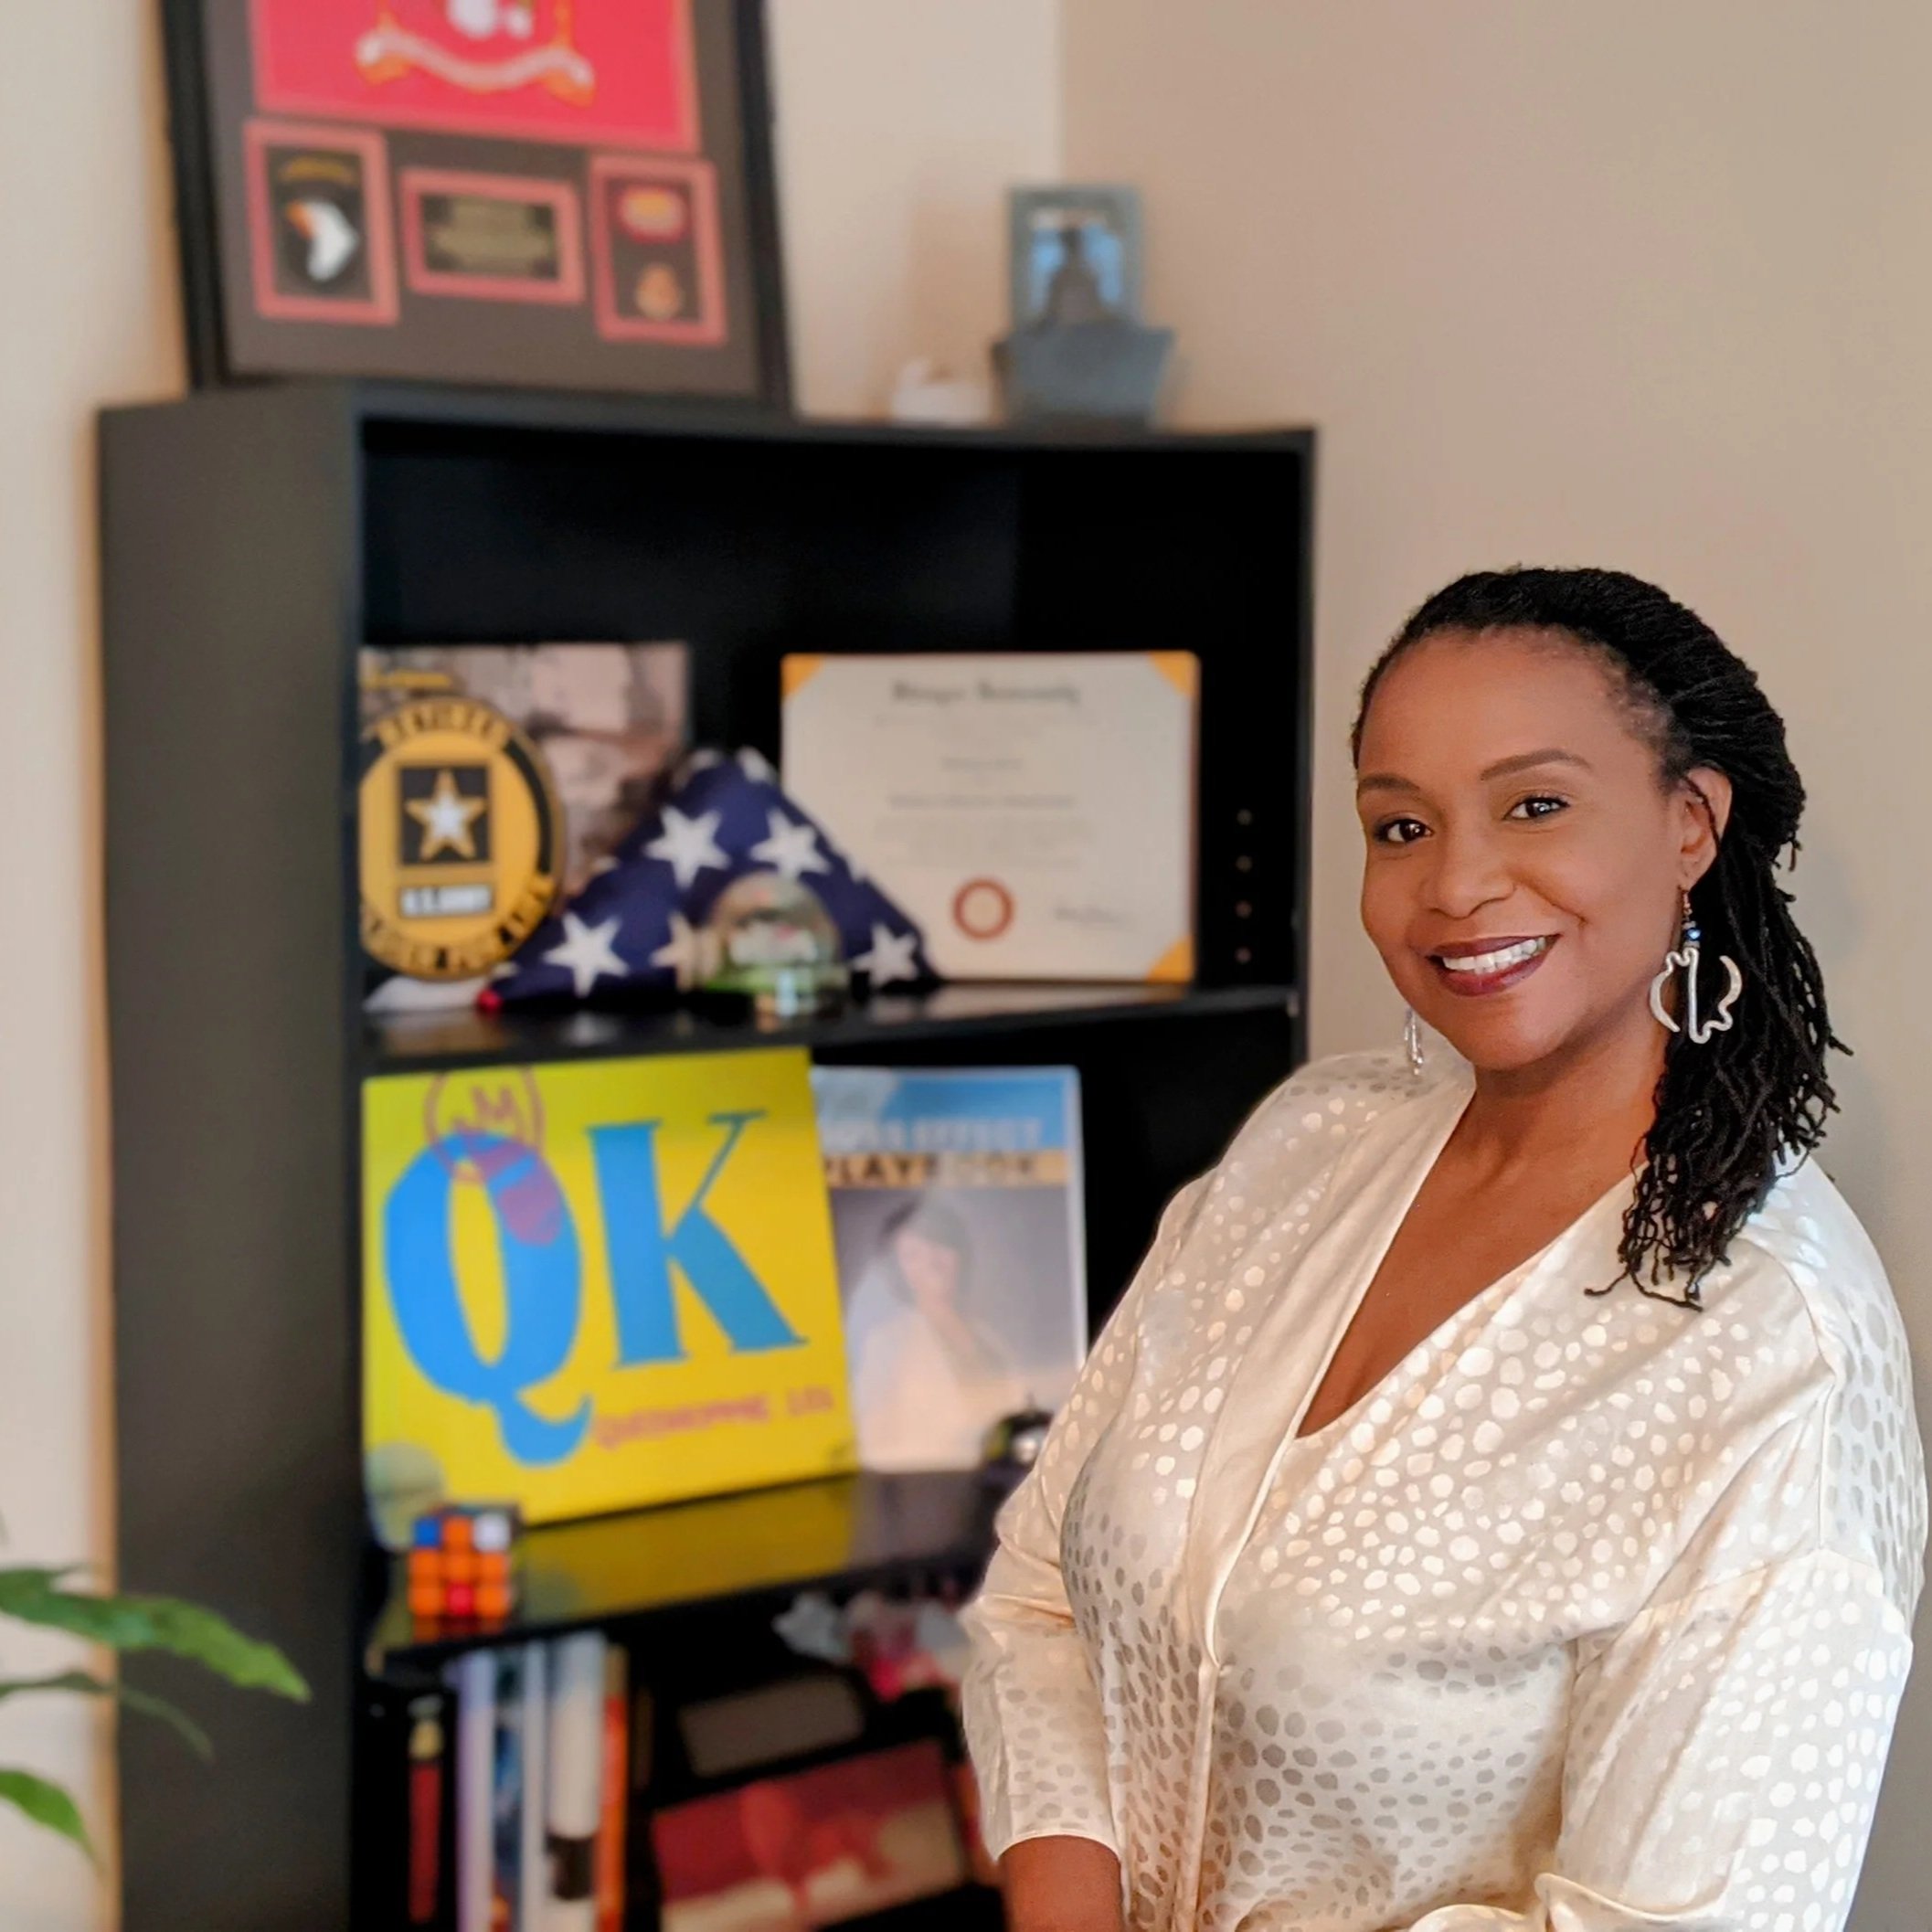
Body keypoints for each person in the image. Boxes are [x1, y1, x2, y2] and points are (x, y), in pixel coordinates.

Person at [961, 568, 1927, 1932]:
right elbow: (1047, 1598)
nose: (1456, 882)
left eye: (1534, 804)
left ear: (1689, 824)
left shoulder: (1773, 1348)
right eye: (1399, 824)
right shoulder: (1307, 1146)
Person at [844, 1196, 1029, 1470]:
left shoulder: (990, 1338)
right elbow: (875, 1446)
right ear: (899, 1271)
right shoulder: (885, 1343)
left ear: (959, 1254)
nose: (931, 1263)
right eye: (912, 1255)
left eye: (939, 1246)